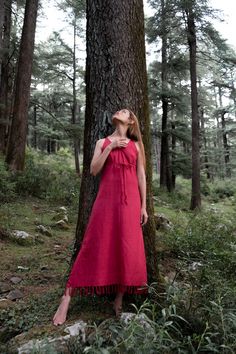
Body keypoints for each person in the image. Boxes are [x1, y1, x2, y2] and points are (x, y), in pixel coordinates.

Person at [52, 108, 148, 326]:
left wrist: (143, 206)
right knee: (92, 245)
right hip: (106, 202)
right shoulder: (101, 142)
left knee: (126, 248)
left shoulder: (136, 145)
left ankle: (119, 297)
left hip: (130, 204)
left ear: (131, 120)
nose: (119, 111)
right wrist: (112, 147)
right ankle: (67, 297)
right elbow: (94, 170)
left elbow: (141, 175)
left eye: (125, 111)